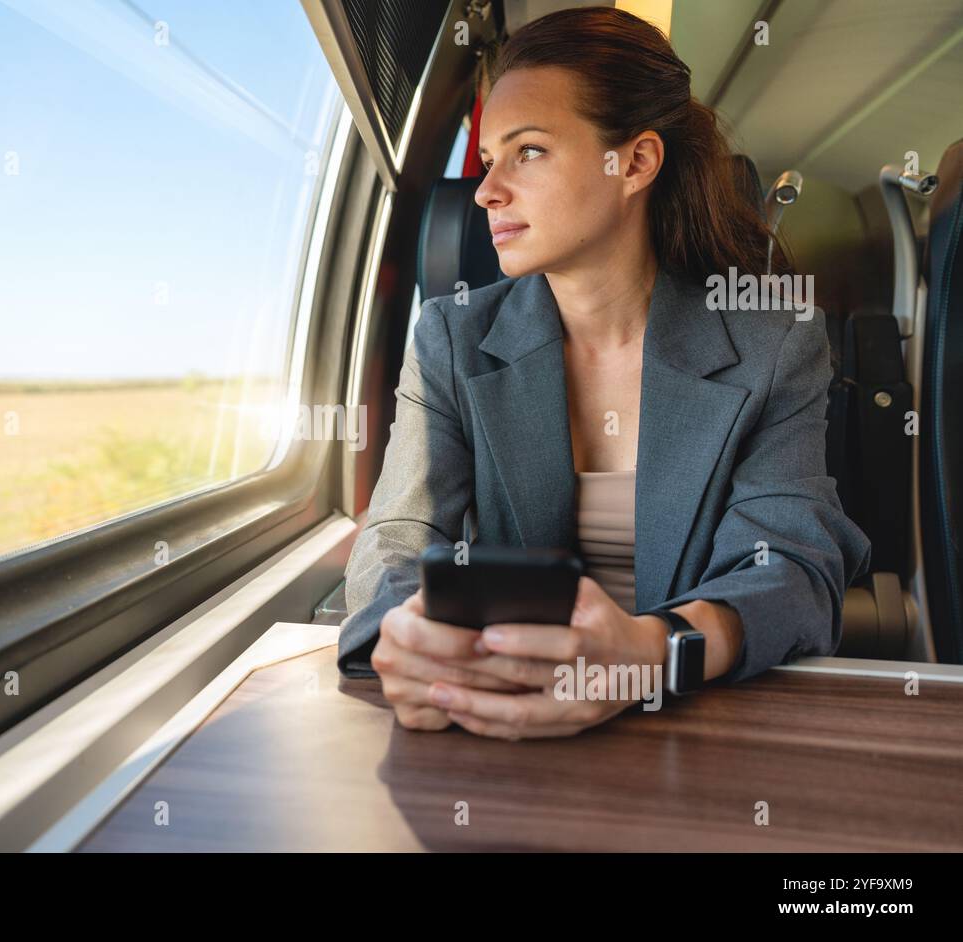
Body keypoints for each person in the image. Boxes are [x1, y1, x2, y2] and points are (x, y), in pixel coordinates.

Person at [336, 6, 872, 740]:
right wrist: (409, 639)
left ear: (638, 163)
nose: (488, 190)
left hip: (696, 733)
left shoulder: (774, 345)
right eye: (489, 157)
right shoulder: (451, 340)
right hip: (494, 726)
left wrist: (651, 655)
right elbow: (395, 539)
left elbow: (790, 569)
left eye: (527, 151)